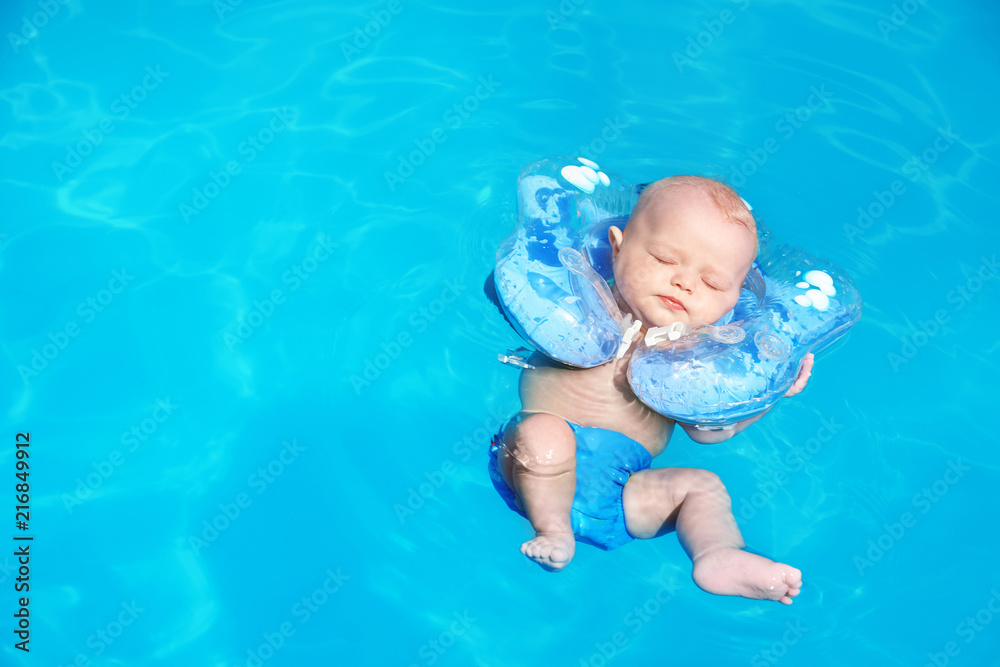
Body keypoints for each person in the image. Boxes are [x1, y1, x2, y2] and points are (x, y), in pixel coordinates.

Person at [488, 175, 811, 604]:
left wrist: (768, 396)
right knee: (545, 433)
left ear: (732, 302)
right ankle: (554, 530)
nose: (685, 283)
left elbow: (710, 431)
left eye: (712, 283)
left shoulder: (699, 359)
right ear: (618, 247)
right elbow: (511, 296)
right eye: (663, 258)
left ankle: (718, 553)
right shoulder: (583, 304)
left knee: (701, 486)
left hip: (621, 496)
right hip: (530, 468)